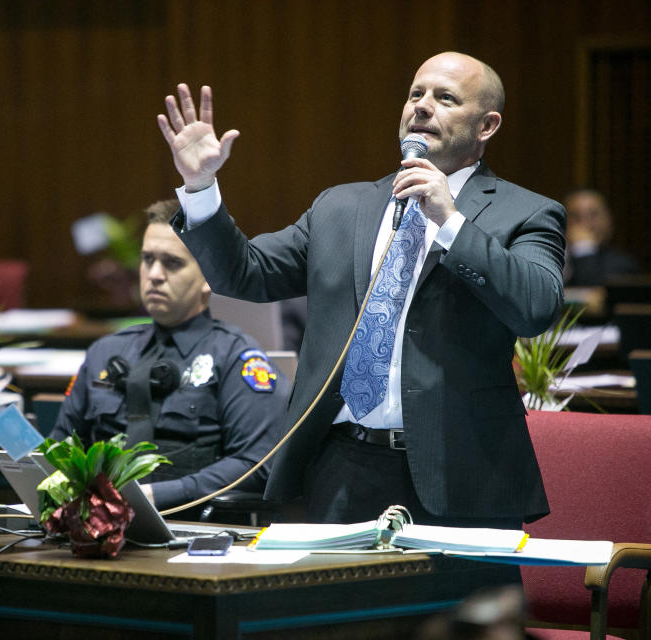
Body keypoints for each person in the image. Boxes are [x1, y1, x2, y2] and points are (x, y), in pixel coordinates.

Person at [156, 52, 566, 528]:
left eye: (446, 98)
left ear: (487, 125)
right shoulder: (341, 206)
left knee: (467, 608)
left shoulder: (527, 212)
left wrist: (449, 220)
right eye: (416, 94)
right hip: (342, 470)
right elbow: (244, 272)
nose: (423, 106)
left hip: (463, 475)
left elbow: (536, 306)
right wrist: (201, 185)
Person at [50, 200, 290, 512]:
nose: (154, 275)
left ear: (209, 275)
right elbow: (59, 450)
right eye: (147, 260)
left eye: (172, 263)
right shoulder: (104, 352)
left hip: (188, 527)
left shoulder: (236, 358)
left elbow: (257, 464)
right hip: (95, 525)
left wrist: (154, 497)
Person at [562, 187, 639, 287]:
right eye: (575, 216)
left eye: (594, 215)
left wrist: (584, 247)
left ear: (608, 220)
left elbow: (592, 296)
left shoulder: (623, 266)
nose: (586, 223)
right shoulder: (551, 258)